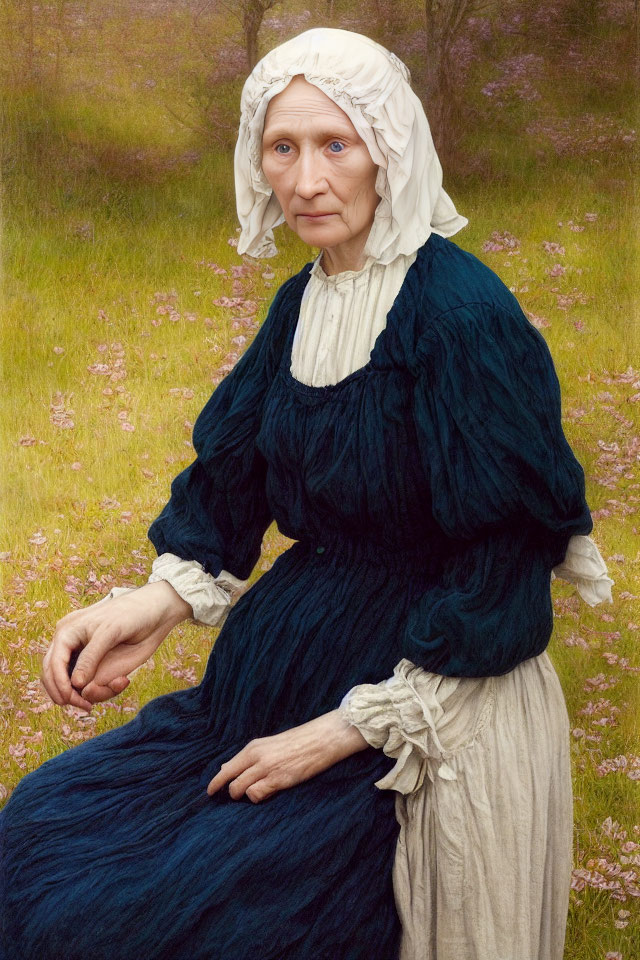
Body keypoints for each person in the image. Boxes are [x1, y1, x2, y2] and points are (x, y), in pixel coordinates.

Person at [0, 27, 614, 960]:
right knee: (40, 835)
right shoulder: (305, 299)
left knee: (168, 921)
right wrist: (156, 603)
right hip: (269, 693)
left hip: (424, 705)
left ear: (389, 150)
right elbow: (233, 480)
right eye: (282, 148)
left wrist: (338, 734)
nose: (307, 180)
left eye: (337, 144)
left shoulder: (461, 319)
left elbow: (502, 565)